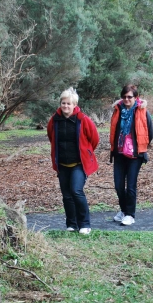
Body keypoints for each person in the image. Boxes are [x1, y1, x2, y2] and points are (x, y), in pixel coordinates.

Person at [47, 87, 99, 235]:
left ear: (74, 105)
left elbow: (94, 139)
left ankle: (85, 224)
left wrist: (86, 153)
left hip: (79, 164)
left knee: (76, 191)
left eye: (69, 103)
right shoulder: (54, 120)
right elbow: (51, 137)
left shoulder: (83, 120)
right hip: (62, 164)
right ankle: (72, 224)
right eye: (63, 103)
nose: (65, 106)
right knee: (67, 195)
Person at [109, 84, 153, 226]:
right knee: (118, 185)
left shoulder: (142, 111)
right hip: (119, 153)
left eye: (130, 97)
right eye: (124, 97)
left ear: (135, 97)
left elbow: (149, 131)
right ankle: (123, 210)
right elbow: (114, 130)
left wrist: (142, 146)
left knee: (131, 185)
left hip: (135, 154)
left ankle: (130, 214)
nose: (127, 99)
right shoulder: (118, 110)